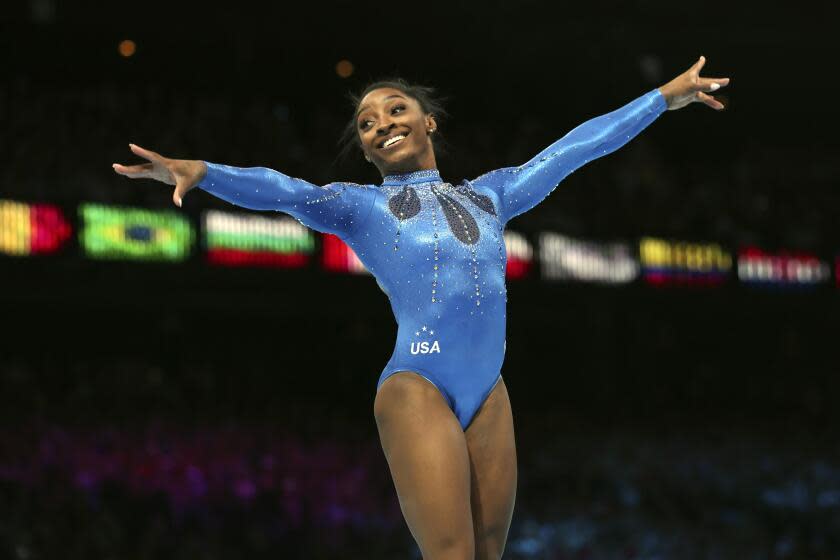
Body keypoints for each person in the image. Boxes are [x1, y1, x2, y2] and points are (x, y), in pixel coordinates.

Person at [113, 55, 729, 560]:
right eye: (366, 123)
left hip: (489, 390)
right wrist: (205, 171)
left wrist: (661, 99)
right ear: (365, 149)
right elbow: (284, 190)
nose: (381, 122)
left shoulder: (493, 195)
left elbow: (571, 150)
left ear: (429, 122)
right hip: (418, 382)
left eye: (396, 108)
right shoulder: (358, 207)